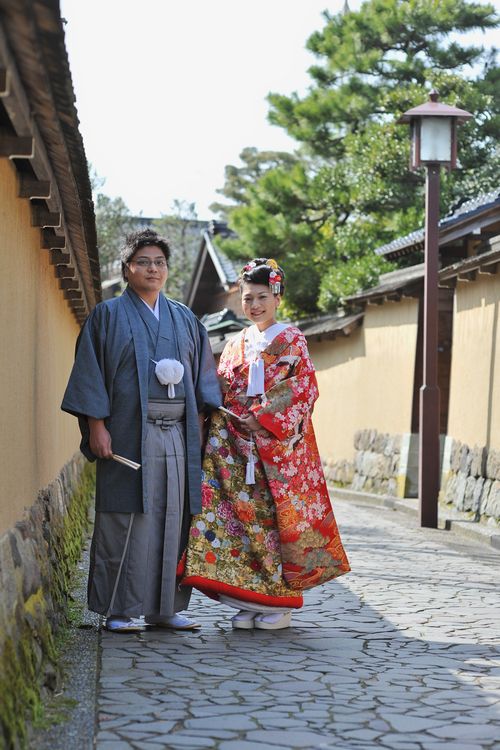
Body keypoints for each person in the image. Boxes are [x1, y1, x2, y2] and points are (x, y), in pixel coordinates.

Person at [61, 229, 222, 632]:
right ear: (127, 268)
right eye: (144, 262)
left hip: (178, 435)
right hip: (128, 434)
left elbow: (204, 379)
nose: (153, 269)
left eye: (159, 262)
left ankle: (165, 608)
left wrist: (202, 430)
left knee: (173, 517)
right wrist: (96, 426)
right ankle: (119, 610)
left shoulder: (185, 319)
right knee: (126, 519)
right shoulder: (107, 316)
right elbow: (90, 374)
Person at [181, 258, 350, 630]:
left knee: (273, 526)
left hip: (275, 450)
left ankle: (279, 603)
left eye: (262, 297)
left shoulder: (292, 338)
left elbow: (303, 388)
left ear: (277, 297)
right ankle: (248, 599)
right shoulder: (236, 343)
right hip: (234, 446)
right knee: (240, 523)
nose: (254, 305)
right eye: (248, 298)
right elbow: (220, 386)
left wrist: (263, 417)